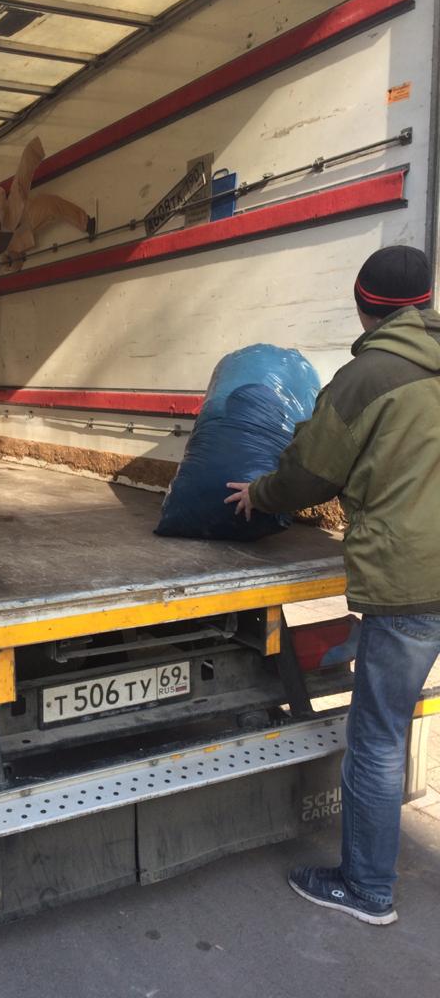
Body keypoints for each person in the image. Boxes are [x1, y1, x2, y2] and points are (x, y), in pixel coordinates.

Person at [225, 244, 439, 926]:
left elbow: (311, 473)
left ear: (362, 303)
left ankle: (368, 889)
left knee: (378, 737)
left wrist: (259, 494)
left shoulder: (367, 376)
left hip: (411, 582)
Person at [0, 136, 95, 269]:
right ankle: (86, 223)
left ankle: (42, 141)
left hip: (17, 198)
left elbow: (0, 192)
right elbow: (19, 264)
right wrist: (10, 263)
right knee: (52, 204)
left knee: (26, 162)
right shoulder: (8, 252)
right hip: (30, 220)